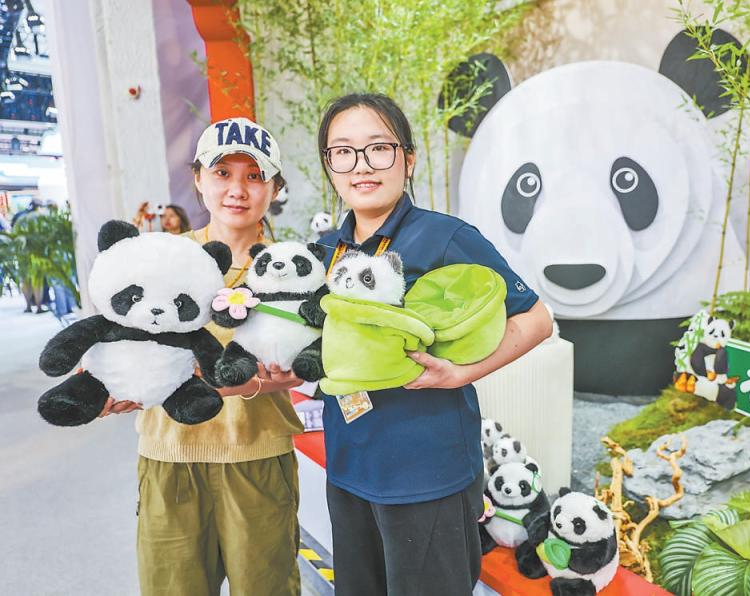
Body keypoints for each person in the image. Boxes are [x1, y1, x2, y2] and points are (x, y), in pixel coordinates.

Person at [316, 93, 553, 595]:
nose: (361, 165)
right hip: (350, 464)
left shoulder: (445, 237)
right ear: (329, 165)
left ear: (408, 158)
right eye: (343, 151)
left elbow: (536, 320)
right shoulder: (327, 250)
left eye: (378, 148)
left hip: (427, 471)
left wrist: (462, 373)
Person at [101, 117, 305, 596]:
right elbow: (123, 340)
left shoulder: (292, 268)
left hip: (258, 458)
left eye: (255, 176)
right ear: (198, 178)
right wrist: (108, 383)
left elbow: (301, 366)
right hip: (169, 458)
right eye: (222, 173)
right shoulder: (160, 259)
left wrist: (222, 381)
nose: (237, 189)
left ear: (275, 188)